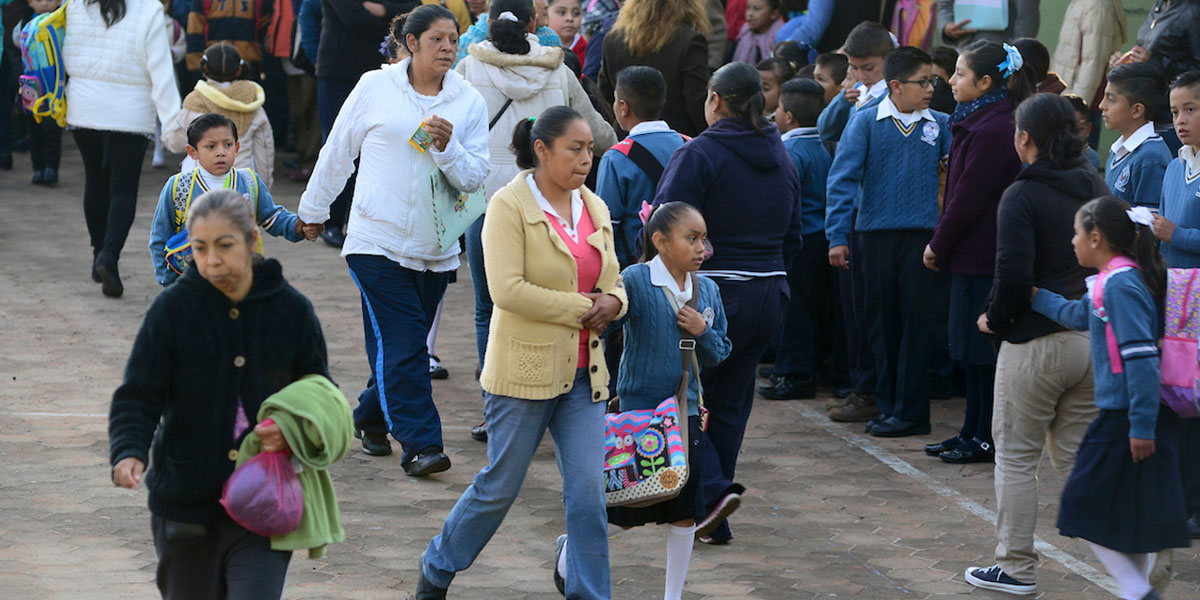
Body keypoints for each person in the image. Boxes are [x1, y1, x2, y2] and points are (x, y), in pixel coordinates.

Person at [417, 106, 626, 600]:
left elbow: (614, 277)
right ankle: (438, 565)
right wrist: (585, 305)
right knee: (498, 488)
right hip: (523, 373)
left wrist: (615, 301)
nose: (585, 159)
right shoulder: (507, 206)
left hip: (585, 375)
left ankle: (589, 592)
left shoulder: (593, 206)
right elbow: (507, 290)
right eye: (574, 149)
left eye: (590, 150)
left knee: (589, 497)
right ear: (541, 150)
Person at [109, 189, 331, 599]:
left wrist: (294, 430)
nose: (212, 260)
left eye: (225, 245)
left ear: (250, 241)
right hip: (185, 503)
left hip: (265, 502)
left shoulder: (291, 310)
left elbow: (320, 392)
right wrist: (128, 450)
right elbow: (139, 393)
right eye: (199, 247)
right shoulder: (172, 310)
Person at [298, 5, 490, 475]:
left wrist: (447, 148)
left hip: (434, 247)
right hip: (374, 239)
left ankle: (366, 418)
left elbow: (475, 177)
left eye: (453, 39)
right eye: (437, 39)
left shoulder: (468, 101)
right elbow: (338, 149)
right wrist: (313, 211)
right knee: (408, 345)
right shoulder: (375, 87)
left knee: (398, 348)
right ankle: (422, 444)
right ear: (411, 43)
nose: (448, 47)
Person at [652, 62, 802, 545]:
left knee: (677, 397)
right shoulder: (780, 154)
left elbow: (664, 225)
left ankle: (711, 496)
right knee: (731, 403)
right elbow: (794, 235)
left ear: (715, 100)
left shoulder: (700, 153)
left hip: (714, 295)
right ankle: (710, 514)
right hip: (769, 293)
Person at [965, 93, 1107, 596]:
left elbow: (1013, 277)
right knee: (1076, 461)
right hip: (1089, 342)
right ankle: (1132, 563)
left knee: (1018, 457)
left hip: (1034, 345)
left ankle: (1016, 568)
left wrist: (993, 321)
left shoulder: (1022, 195)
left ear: (1024, 137)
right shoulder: (1094, 184)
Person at [453, 0, 615, 440]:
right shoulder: (559, 70)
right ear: (535, 22)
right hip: (552, 205)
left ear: (487, 23)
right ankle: (557, 401)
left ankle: (497, 411)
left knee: (491, 307)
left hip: (484, 202)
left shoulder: (468, 70)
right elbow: (601, 135)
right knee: (558, 299)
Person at [1029, 196, 1188, 600]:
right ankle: (1136, 592)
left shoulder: (1121, 285)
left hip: (1127, 418)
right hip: (1130, 416)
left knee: (1081, 506)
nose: (1072, 241)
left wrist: (1140, 426)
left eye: (1076, 233)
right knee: (1129, 519)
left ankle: (1137, 592)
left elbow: (1141, 359)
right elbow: (1080, 316)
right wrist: (1035, 298)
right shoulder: (1113, 281)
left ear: (1096, 238)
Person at [604, 202, 732, 600]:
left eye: (704, 239)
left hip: (686, 412)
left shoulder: (707, 289)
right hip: (637, 414)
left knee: (685, 507)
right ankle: (573, 546)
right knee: (626, 506)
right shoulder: (637, 279)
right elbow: (609, 323)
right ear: (660, 242)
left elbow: (721, 351)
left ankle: (672, 595)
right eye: (691, 239)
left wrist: (703, 330)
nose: (701, 248)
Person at [825, 46, 951, 437]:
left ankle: (912, 412)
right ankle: (888, 403)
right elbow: (842, 179)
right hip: (874, 237)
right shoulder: (865, 122)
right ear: (896, 86)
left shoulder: (941, 125)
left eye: (932, 80)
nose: (929, 88)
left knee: (917, 323)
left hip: (922, 239)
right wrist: (837, 236)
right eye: (922, 82)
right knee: (880, 323)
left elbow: (954, 179)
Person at [921, 41, 1031, 463]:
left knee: (983, 353)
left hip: (984, 255)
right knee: (970, 352)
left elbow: (967, 198)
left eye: (960, 73)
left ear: (986, 82)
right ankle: (970, 430)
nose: (951, 81)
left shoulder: (994, 128)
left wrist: (937, 243)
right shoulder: (977, 121)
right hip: (970, 255)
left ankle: (985, 436)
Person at [64, 0, 182, 298]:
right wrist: (174, 125)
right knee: (123, 189)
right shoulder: (149, 8)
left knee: (95, 179)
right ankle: (109, 256)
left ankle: (97, 252)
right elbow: (161, 70)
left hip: (83, 104)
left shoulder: (76, 4)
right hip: (130, 109)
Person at [150, 113, 308, 285]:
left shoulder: (249, 181)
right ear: (193, 152)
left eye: (227, 145)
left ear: (237, 148)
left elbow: (272, 217)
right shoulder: (179, 186)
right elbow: (159, 237)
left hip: (242, 279)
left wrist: (298, 226)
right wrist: (169, 282)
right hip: (194, 283)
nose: (221, 152)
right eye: (211, 147)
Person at [315, 0, 416, 247]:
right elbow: (354, 18)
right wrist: (394, 22)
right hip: (339, 74)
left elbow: (415, 10)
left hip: (382, 72)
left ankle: (364, 221)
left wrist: (381, 10)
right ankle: (331, 222)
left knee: (376, 149)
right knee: (340, 146)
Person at [758, 77, 835, 402]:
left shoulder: (789, 150)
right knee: (811, 307)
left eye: (776, 110)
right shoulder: (822, 146)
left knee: (795, 309)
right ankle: (803, 366)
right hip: (821, 238)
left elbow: (780, 202)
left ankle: (794, 373)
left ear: (788, 116)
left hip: (799, 241)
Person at [1152, 69, 1200, 542]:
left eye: (1191, 109)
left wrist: (1177, 234)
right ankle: (1180, 498)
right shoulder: (1173, 165)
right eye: (1175, 112)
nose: (1181, 121)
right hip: (1176, 297)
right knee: (1179, 399)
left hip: (1199, 297)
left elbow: (1178, 233)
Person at [597, 65, 689, 269]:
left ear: (623, 107)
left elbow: (606, 224)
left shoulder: (616, 157)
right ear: (662, 103)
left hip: (637, 267)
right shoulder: (690, 146)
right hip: (688, 265)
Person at [163, 43, 276, 187]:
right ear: (239, 70)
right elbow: (264, 152)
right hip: (241, 184)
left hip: (200, 184)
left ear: (204, 69)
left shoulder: (195, 101)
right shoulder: (253, 103)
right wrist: (263, 188)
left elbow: (175, 143)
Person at [597, 0, 710, 137]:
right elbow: (697, 103)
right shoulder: (690, 41)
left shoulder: (613, 39)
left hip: (627, 142)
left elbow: (605, 98)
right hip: (677, 143)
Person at [1100, 62, 1172, 209]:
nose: (1102, 105)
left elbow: (1148, 225)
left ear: (1137, 110)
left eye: (1111, 99)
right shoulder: (1119, 149)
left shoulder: (1151, 158)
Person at [816, 21, 893, 144]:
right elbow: (824, 131)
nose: (861, 76)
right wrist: (841, 102)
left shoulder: (892, 97)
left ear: (889, 59)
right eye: (854, 68)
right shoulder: (857, 90)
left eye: (868, 68)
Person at [13, 0, 62, 185]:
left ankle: (51, 168)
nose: (44, 3)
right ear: (29, 3)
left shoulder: (59, 21)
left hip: (53, 84)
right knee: (33, 127)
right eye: (39, 0)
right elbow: (15, 43)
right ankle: (38, 167)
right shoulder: (25, 23)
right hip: (31, 84)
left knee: (52, 127)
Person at [1049, 0, 1126, 113]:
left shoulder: (1097, 5)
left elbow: (1093, 62)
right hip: (1068, 96)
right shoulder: (1082, 3)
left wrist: (1077, 109)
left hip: (1082, 103)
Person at [454, 0, 560, 67]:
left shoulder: (466, 59)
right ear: (532, 22)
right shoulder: (554, 54)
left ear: (489, 23)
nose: (546, 4)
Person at [184, 0, 271, 80]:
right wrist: (197, 68)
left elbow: (265, 33)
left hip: (248, 68)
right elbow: (194, 33)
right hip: (214, 68)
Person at [937, 0, 1040, 49]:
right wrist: (945, 25)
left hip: (1001, 48)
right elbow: (944, 4)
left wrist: (1015, 55)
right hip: (963, 46)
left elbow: (1026, 16)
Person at [732, 0, 781, 67]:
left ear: (773, 14)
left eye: (757, 9)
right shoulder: (744, 34)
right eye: (748, 8)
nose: (750, 14)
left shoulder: (780, 39)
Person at [1064, 93, 1101, 169]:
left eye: (1078, 130)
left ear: (1088, 130)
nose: (1071, 136)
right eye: (1066, 128)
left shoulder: (1090, 157)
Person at [547, 0, 583, 68]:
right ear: (546, 14)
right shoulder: (538, 45)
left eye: (576, 13)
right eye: (561, 12)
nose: (570, 18)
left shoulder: (588, 49)